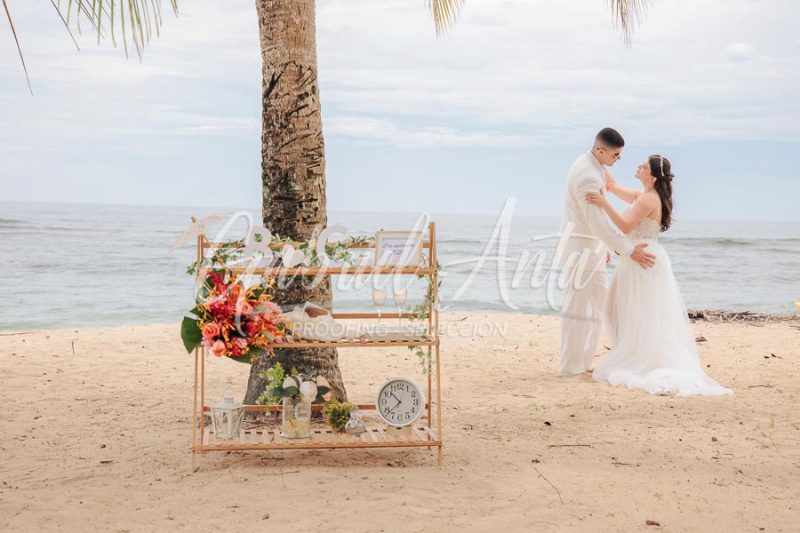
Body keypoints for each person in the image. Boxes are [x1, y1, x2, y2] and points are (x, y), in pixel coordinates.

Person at [585, 155, 733, 396]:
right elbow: (613, 187)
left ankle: (635, 356)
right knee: (624, 309)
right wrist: (600, 163)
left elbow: (624, 226)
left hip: (641, 259)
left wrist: (602, 203)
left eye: (643, 166)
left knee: (631, 310)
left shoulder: (647, 200)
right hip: (639, 256)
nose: (638, 166)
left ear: (652, 177)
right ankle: (629, 351)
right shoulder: (644, 195)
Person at [558, 128, 655, 376]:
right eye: (616, 155)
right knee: (578, 309)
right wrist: (627, 250)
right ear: (601, 150)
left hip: (592, 250)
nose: (618, 159)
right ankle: (570, 366)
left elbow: (602, 211)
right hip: (580, 252)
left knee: (602, 306)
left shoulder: (595, 165)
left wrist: (603, 247)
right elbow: (596, 222)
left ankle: (585, 363)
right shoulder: (587, 176)